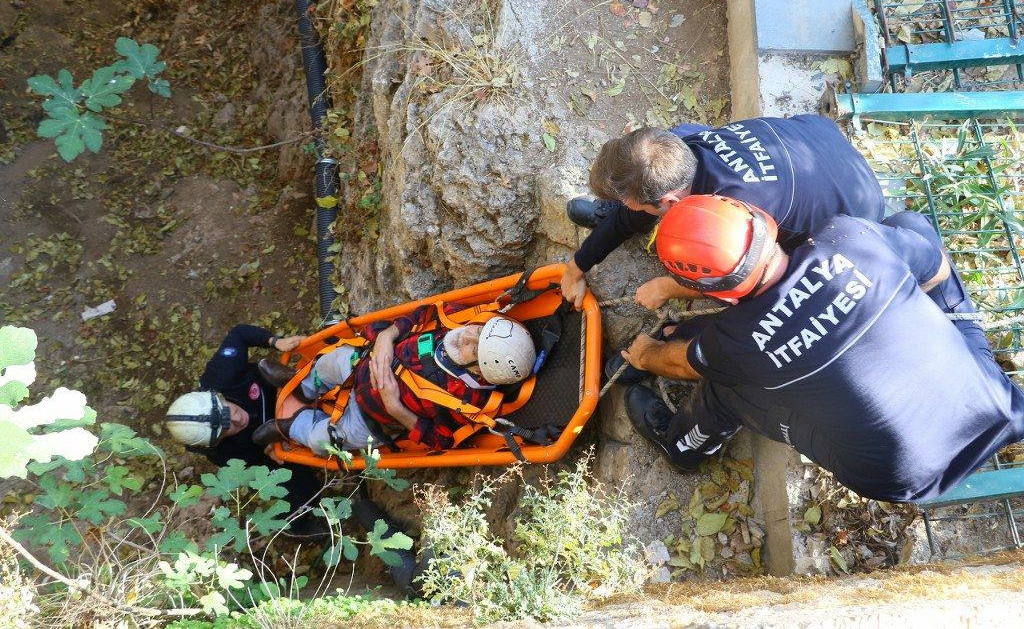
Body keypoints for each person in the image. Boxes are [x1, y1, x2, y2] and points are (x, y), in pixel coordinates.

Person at [620, 194, 1024, 503]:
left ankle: (682, 448)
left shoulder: (737, 341)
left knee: (727, 389)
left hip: (906, 476)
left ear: (711, 289)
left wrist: (646, 355)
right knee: (908, 226)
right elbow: (936, 270)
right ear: (760, 221)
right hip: (1000, 408)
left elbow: (686, 363)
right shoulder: (849, 237)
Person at [561, 116, 887, 310]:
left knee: (761, 281)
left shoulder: (728, 215)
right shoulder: (678, 145)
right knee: (655, 175)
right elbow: (638, 208)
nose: (627, 208)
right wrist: (577, 268)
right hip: (818, 138)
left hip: (852, 217)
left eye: (628, 202)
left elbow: (737, 279)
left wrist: (668, 287)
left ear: (672, 202)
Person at [251, 306, 537, 456]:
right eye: (478, 330)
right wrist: (386, 338)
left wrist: (396, 408)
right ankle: (301, 385)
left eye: (473, 348)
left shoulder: (468, 399)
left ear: (479, 372)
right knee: (332, 361)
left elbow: (442, 440)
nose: (467, 335)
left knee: (322, 440)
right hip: (363, 366)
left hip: (372, 419)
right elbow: (421, 313)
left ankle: (290, 427)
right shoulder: (457, 322)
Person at [164, 324, 326, 536]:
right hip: (279, 433)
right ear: (218, 440)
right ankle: (297, 526)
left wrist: (275, 342)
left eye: (229, 411)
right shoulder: (227, 453)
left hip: (281, 385)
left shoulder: (222, 376)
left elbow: (238, 334)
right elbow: (259, 463)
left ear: (219, 397)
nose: (239, 418)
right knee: (303, 489)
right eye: (228, 427)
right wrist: (272, 452)